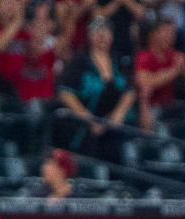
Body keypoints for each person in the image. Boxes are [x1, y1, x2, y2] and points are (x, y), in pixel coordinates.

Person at [57, 16, 136, 163]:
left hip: (113, 126)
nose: (102, 36)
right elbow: (65, 92)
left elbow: (129, 91)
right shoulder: (79, 60)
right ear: (89, 35)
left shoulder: (119, 60)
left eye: (106, 31)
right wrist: (88, 118)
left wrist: (117, 115)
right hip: (85, 127)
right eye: (97, 31)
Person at [135, 18, 185, 133]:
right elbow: (145, 83)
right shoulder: (144, 56)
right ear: (154, 35)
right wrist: (174, 70)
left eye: (173, 33)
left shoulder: (176, 56)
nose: (171, 36)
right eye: (167, 32)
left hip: (172, 108)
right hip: (151, 108)